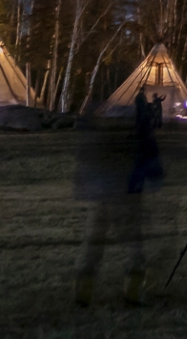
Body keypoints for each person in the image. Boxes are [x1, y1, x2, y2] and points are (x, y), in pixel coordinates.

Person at [73, 97, 164, 307]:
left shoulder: (103, 134)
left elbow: (85, 158)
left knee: (94, 241)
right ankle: (132, 291)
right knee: (133, 242)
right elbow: (152, 162)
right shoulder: (139, 133)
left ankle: (83, 291)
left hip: (103, 192)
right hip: (128, 194)